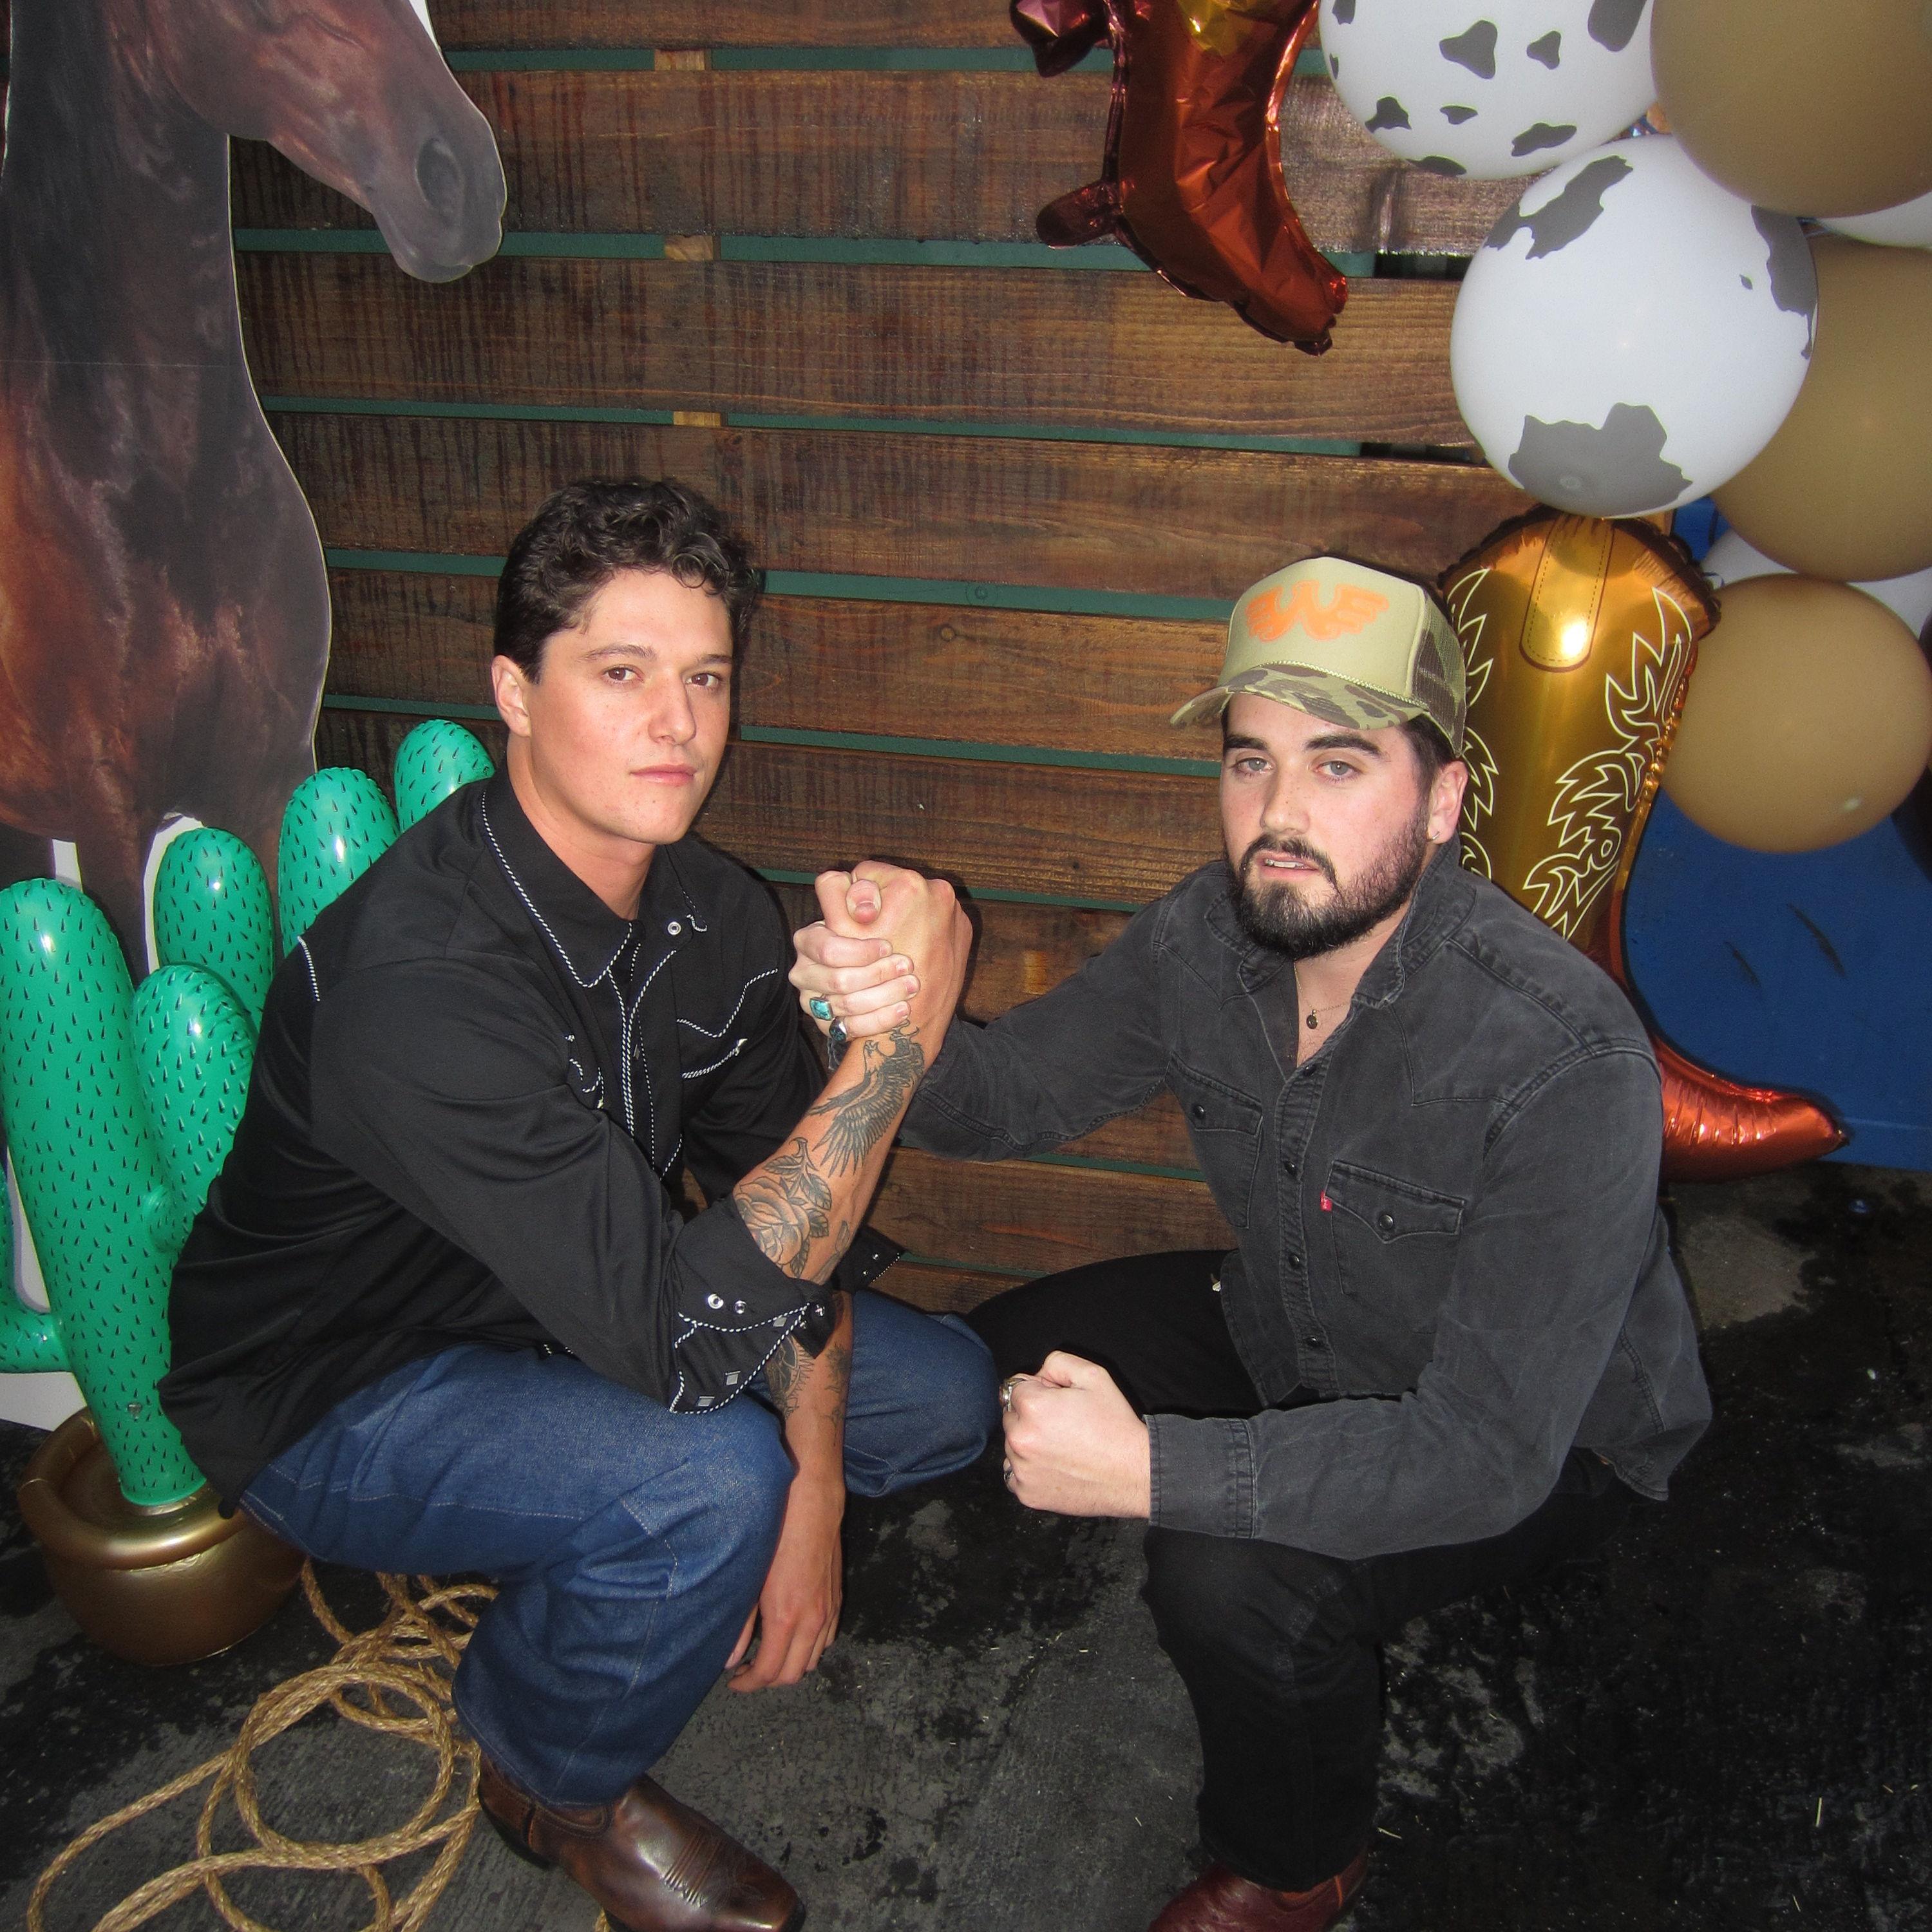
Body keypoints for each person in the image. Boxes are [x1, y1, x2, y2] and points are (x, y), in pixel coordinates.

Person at [790, 555, 1711, 1932]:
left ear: (1443, 801)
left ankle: (1297, 1864)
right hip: (1293, 1317)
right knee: (990, 1361)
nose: (1279, 815)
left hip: (1543, 1441)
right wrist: (876, 1009)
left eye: (1340, 765)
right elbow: (1003, 1101)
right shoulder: (1205, 940)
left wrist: (1155, 1470)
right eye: (1249, 762)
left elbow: (1483, 1452)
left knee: (1226, 1574)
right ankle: (755, 1527)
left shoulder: (1564, 1056)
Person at [160, 479, 994, 1932]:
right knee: (709, 1477)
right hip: (336, 1384)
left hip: (566, 1306)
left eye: (706, 678)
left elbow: (789, 1219)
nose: (678, 724)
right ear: (515, 695)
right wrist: (892, 1051)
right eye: (621, 673)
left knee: (946, 1400)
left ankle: (596, 1536)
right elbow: (692, 1340)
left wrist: (816, 1493)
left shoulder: (709, 912)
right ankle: (550, 1768)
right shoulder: (420, 986)